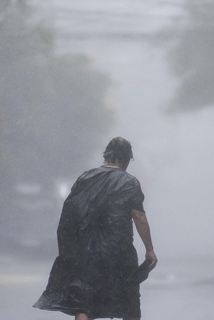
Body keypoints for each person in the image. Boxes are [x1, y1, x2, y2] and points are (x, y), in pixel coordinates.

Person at [34, 137, 157, 320]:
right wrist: (149, 249)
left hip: (88, 254)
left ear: (106, 156)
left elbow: (69, 216)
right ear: (125, 159)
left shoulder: (85, 178)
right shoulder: (130, 182)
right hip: (120, 253)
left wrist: (69, 252)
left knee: (85, 303)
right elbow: (139, 217)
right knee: (129, 301)